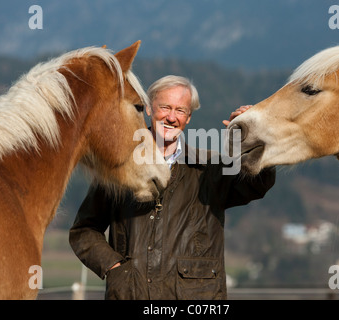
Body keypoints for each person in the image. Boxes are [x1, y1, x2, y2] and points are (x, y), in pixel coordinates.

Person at [69, 75, 275, 299]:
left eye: (180, 110)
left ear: (188, 118)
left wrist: (252, 136)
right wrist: (115, 268)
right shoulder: (119, 168)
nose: (171, 117)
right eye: (165, 107)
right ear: (148, 108)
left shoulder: (209, 169)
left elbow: (258, 184)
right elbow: (84, 231)